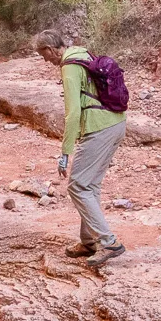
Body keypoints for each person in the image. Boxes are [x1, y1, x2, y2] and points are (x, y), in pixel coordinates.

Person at [35, 24, 126, 267]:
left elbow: (73, 113)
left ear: (50, 49)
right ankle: (89, 241)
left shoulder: (69, 66)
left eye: (43, 55)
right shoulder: (82, 54)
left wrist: (65, 153)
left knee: (77, 186)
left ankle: (108, 242)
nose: (45, 61)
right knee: (90, 185)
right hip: (116, 123)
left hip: (99, 127)